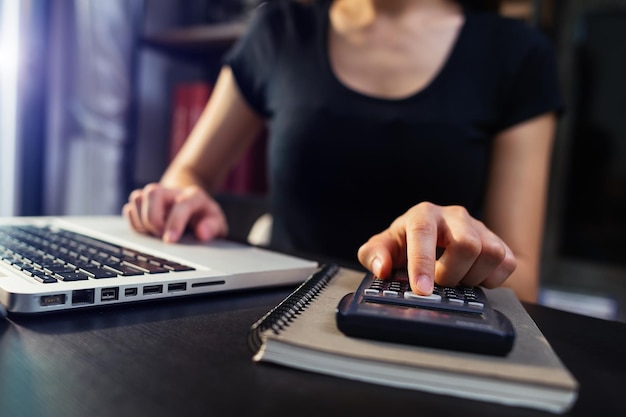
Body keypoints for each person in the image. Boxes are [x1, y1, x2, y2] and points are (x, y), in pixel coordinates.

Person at [123, 0, 562, 303]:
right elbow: (189, 173)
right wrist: (183, 198)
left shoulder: (517, 54)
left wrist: (456, 247)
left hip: (429, 328)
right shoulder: (280, 31)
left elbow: (522, 283)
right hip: (275, 318)